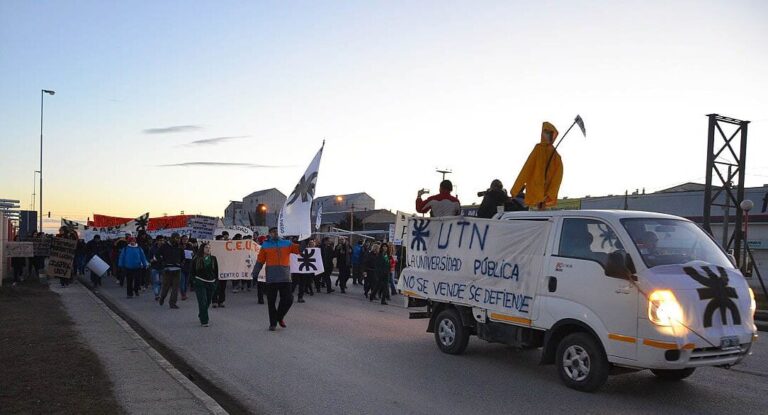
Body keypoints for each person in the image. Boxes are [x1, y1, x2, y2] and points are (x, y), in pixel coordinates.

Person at [251, 227, 300, 331]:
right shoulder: (265, 245)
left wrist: (304, 238)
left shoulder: (287, 243)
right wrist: (255, 274)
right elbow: (260, 261)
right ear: (270, 234)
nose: (276, 233)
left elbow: (299, 250)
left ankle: (279, 317)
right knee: (271, 302)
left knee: (289, 299)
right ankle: (273, 323)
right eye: (273, 232)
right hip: (272, 278)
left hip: (285, 278)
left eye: (277, 231)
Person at [509, 121, 563, 210]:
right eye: (545, 132)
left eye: (548, 133)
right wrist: (515, 190)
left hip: (539, 200)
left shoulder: (555, 156)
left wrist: (549, 194)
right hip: (536, 198)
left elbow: (557, 178)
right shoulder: (540, 150)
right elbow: (526, 169)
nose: (546, 135)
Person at [191, 243, 218, 327]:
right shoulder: (196, 259)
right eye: (206, 247)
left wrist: (216, 282)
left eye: (209, 248)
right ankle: (204, 321)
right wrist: (194, 281)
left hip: (211, 282)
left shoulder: (213, 258)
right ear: (202, 248)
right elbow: (192, 272)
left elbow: (216, 271)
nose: (208, 249)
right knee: (202, 301)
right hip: (200, 282)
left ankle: (201, 314)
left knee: (208, 301)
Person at [157, 233, 184, 309]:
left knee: (175, 288)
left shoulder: (179, 247)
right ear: (172, 238)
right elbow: (157, 255)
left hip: (177, 269)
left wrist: (180, 264)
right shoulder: (164, 246)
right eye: (176, 238)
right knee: (166, 286)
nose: (178, 240)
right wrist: (162, 262)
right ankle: (162, 297)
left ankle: (172, 303)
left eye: (179, 238)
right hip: (167, 269)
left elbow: (183, 257)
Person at [212, 234, 229, 308]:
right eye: (221, 240)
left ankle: (221, 301)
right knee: (215, 286)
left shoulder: (226, 249)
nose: (223, 241)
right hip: (215, 270)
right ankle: (214, 301)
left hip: (224, 269)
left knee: (223, 287)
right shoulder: (213, 248)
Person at [149, 235, 165, 301]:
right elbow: (149, 259)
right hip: (155, 267)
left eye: (163, 240)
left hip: (163, 267)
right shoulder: (152, 248)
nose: (162, 242)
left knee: (161, 282)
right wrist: (153, 259)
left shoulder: (165, 248)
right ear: (157, 241)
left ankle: (158, 293)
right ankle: (156, 295)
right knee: (156, 282)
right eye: (160, 240)